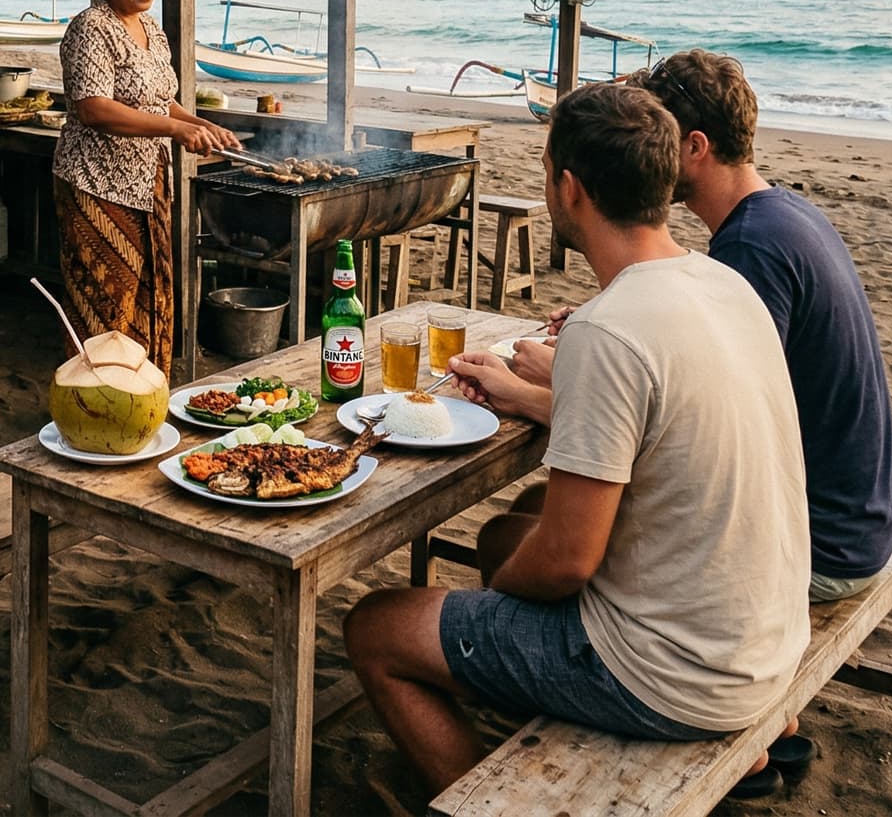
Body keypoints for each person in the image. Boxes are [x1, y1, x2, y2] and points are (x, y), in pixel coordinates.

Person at [344, 83, 810, 796]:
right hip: (768, 643)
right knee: (503, 533)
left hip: (676, 675)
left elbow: (565, 559)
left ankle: (482, 801)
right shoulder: (724, 283)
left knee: (376, 626)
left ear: (569, 187)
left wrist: (498, 602)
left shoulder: (608, 328)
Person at [630, 49, 892, 600]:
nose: (646, 156)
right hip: (861, 521)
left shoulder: (752, 248)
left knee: (557, 542)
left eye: (657, 138)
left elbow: (707, 429)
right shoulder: (784, 213)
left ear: (695, 147)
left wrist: (548, 389)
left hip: (818, 546)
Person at [52, 0, 240, 376]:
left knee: (149, 293)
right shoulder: (90, 28)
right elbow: (94, 108)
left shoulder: (153, 31)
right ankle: (94, 400)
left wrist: (199, 123)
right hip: (97, 184)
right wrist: (175, 128)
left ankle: (142, 391)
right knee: (104, 301)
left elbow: (159, 99)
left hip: (149, 182)